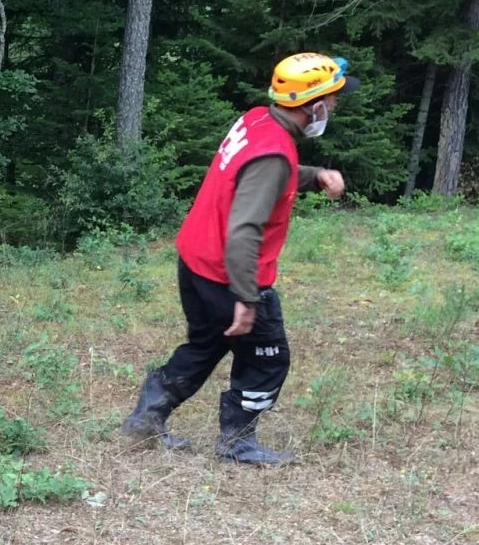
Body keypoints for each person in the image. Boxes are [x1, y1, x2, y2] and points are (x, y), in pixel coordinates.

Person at [123, 52, 354, 465]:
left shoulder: (258, 121)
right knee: (268, 356)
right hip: (227, 273)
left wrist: (314, 175)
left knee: (207, 343)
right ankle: (238, 442)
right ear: (314, 104)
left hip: (195, 259)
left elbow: (256, 173)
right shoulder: (274, 154)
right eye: (333, 99)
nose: (335, 107)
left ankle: (146, 418)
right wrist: (248, 299)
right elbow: (245, 228)